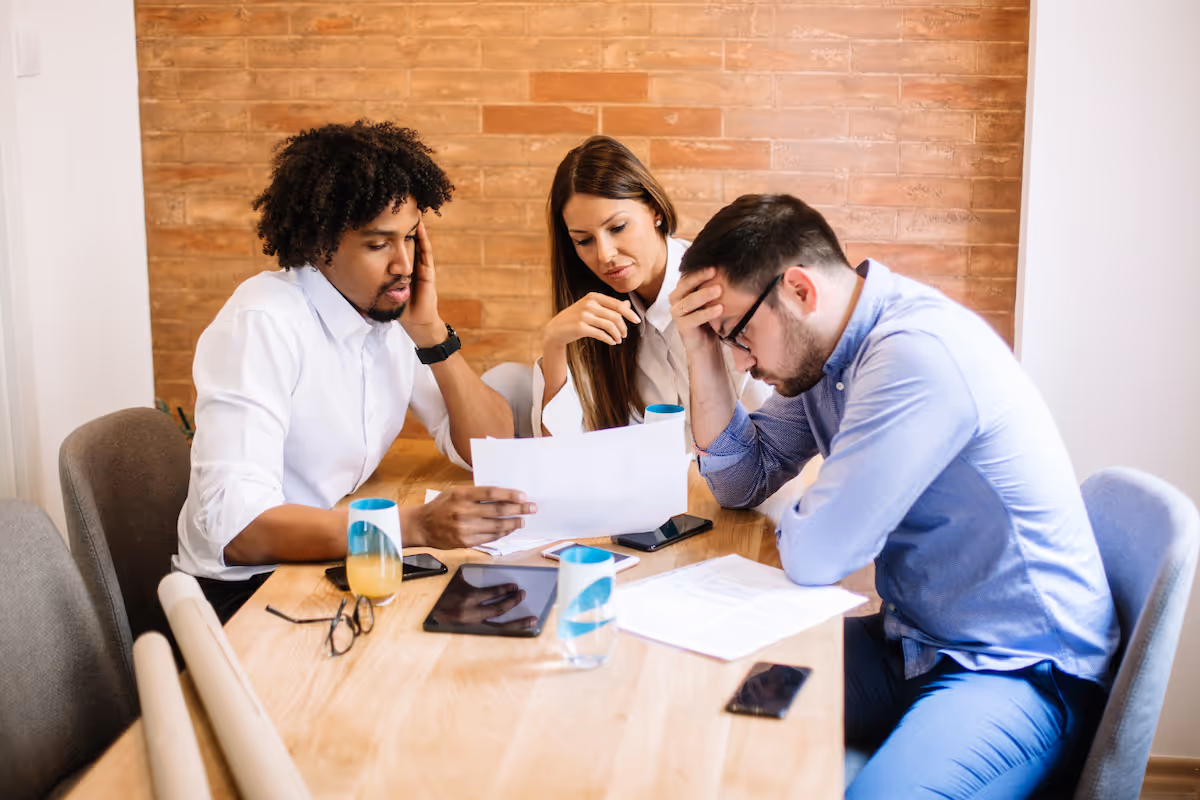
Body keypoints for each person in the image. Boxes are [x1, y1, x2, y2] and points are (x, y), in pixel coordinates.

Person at [668, 194, 1118, 798]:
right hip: (908, 646)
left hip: (1015, 668)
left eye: (739, 336)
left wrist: (820, 518)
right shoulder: (824, 357)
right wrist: (701, 352)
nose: (744, 366)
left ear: (799, 291)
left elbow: (817, 556)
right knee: (697, 694)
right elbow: (742, 480)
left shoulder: (915, 354)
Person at [175, 121, 536, 622]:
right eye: (378, 244)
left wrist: (431, 334)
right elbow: (237, 530)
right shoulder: (262, 324)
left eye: (410, 238)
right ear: (321, 245)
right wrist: (413, 527)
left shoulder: (386, 316)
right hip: (246, 593)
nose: (404, 264)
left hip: (324, 560)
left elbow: (492, 450)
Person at [532, 135, 771, 437]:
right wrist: (554, 344)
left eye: (617, 227)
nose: (604, 254)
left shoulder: (724, 295)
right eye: (584, 240)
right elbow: (559, 453)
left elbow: (777, 437)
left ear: (654, 209)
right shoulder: (598, 318)